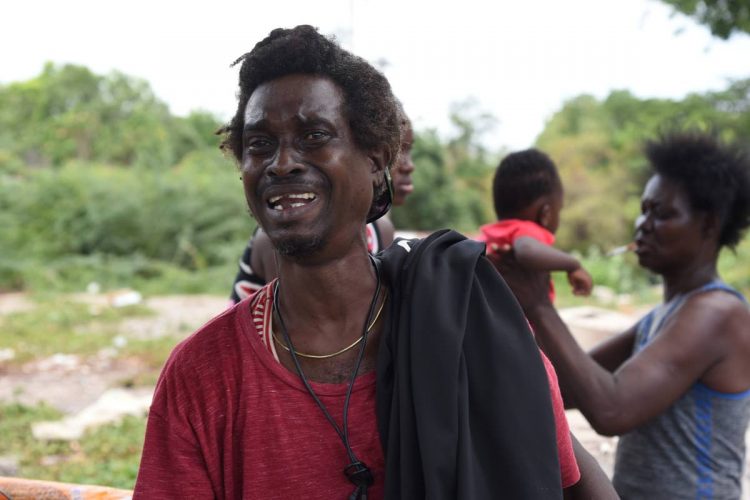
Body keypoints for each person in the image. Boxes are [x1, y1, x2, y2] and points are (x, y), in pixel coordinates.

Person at [133, 25, 615, 499]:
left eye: (314, 135)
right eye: (259, 144)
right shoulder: (201, 376)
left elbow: (567, 473)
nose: (281, 163)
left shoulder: (464, 324)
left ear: (376, 157)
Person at [496, 131, 750, 499]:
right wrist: (513, 309)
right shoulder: (664, 316)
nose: (642, 224)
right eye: (644, 209)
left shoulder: (718, 313)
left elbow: (611, 410)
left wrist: (539, 304)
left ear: (709, 225)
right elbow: (566, 388)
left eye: (662, 214)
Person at [228, 103, 414, 302]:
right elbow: (301, 326)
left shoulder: (381, 231)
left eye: (407, 150)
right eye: (400, 150)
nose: (408, 165)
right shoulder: (283, 238)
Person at [478, 148, 592, 302]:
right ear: (545, 214)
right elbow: (526, 250)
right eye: (559, 210)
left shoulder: (489, 236)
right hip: (520, 323)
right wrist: (573, 265)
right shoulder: (528, 229)